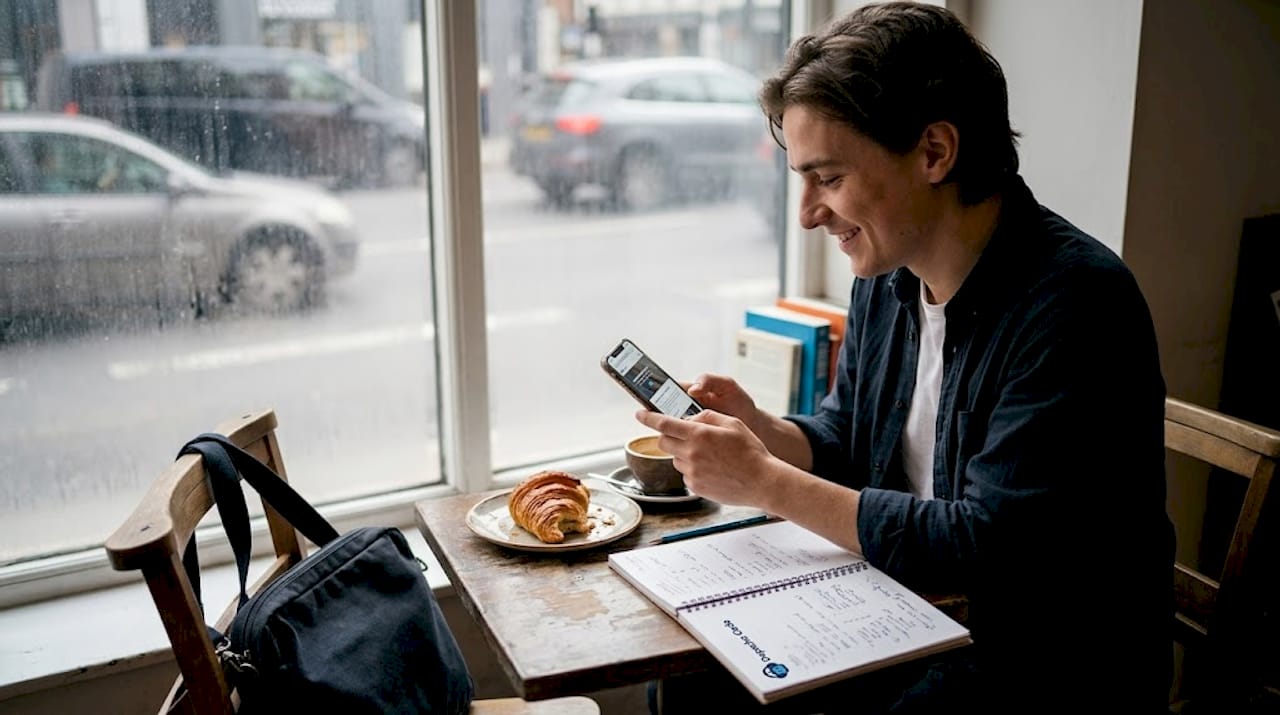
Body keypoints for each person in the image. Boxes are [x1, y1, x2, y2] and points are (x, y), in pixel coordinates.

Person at [638, 3, 1173, 713]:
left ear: (934, 152)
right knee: (692, 687)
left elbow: (988, 549)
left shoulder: (1076, 303)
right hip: (915, 612)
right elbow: (850, 438)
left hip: (1041, 662)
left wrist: (765, 481)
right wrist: (766, 431)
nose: (806, 212)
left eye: (827, 178)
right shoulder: (889, 278)